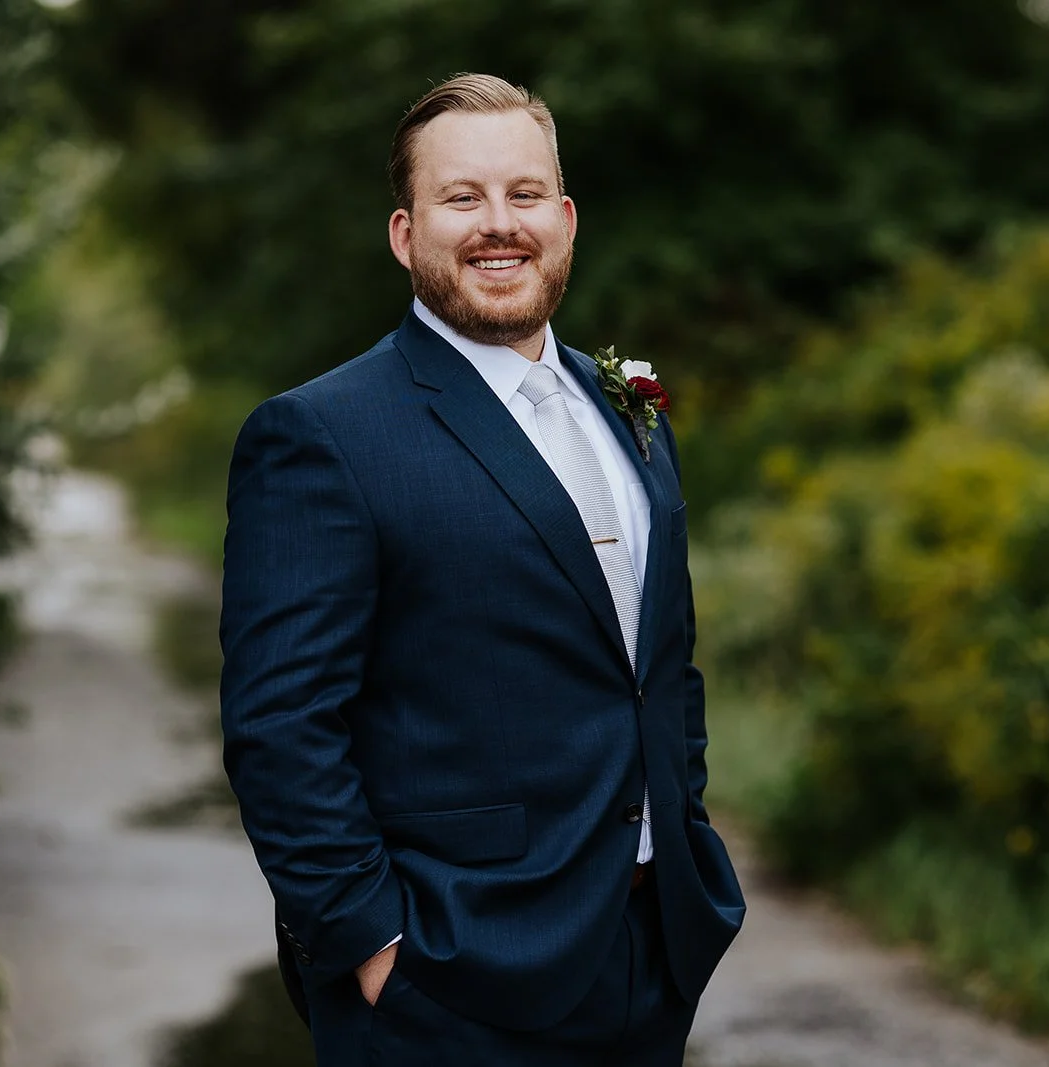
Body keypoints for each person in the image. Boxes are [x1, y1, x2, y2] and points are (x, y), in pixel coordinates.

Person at [218, 72, 745, 1067]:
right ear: (404, 232)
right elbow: (279, 726)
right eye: (462, 197)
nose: (498, 224)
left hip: (649, 955)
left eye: (523, 193)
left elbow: (660, 664)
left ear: (566, 217)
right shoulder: (323, 435)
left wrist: (683, 838)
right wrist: (375, 944)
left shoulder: (626, 404)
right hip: (448, 982)